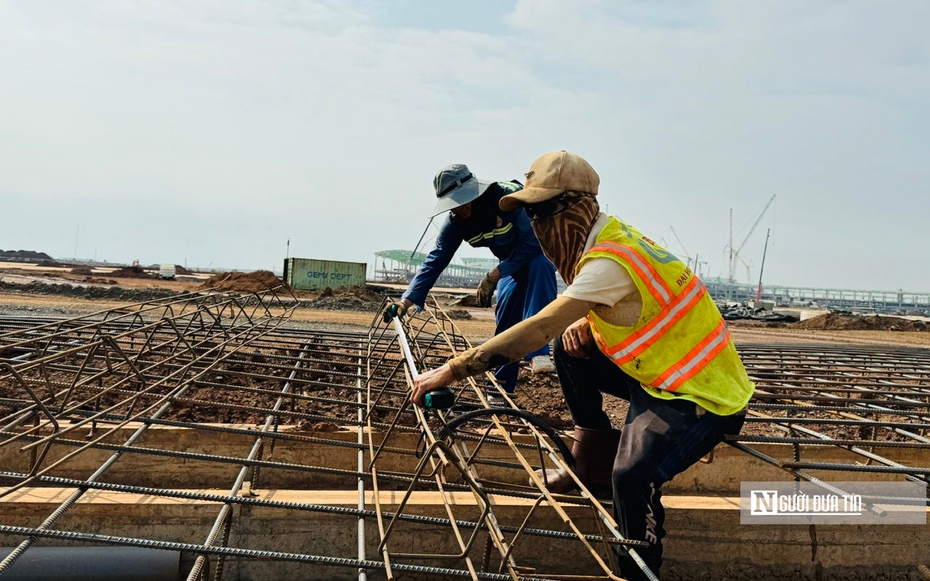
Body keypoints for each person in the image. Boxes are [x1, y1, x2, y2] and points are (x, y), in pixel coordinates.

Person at [411, 151, 754, 580]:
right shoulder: (607, 236)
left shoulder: (609, 259)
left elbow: (538, 327)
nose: (536, 226)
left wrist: (452, 370)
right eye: (531, 215)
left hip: (699, 392)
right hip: (657, 371)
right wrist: (590, 325)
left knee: (630, 478)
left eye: (542, 213)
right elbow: (625, 306)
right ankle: (587, 465)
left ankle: (639, 568)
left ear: (576, 209)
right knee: (568, 350)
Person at [383, 163, 559, 400]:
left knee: (540, 267)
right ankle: (500, 391)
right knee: (506, 319)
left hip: (538, 254)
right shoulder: (456, 223)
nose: (459, 208)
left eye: (462, 200)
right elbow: (436, 259)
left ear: (475, 192)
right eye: (453, 204)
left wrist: (494, 275)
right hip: (509, 266)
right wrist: (407, 300)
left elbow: (535, 242)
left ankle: (539, 353)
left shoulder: (507, 198)